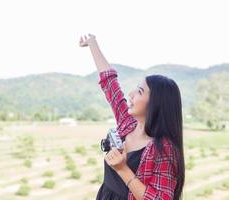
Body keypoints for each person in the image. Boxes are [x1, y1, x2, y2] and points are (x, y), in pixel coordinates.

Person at [79, 34, 185, 200]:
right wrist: (92, 43)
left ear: (155, 104)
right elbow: (110, 84)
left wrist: (122, 169)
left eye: (140, 91)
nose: (131, 94)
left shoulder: (163, 149)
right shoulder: (127, 124)